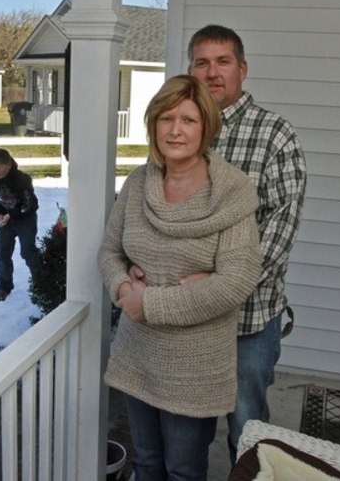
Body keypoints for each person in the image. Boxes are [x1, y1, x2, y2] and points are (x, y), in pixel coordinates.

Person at [99, 75, 262, 480]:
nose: (175, 130)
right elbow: (109, 251)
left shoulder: (232, 191)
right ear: (153, 124)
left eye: (188, 120)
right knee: (147, 462)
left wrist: (148, 302)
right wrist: (123, 287)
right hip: (139, 355)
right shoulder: (139, 182)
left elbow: (235, 282)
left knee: (184, 471)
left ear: (206, 127)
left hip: (196, 367)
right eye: (166, 118)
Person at [189, 24, 307, 462]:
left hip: (250, 318)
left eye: (223, 62)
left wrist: (219, 286)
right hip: (189, 320)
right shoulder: (182, 127)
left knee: (248, 426)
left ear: (243, 69)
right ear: (191, 70)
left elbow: (281, 227)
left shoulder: (275, 134)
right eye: (202, 62)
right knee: (188, 426)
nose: (213, 73)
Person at [0, 148, 40, 302]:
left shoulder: (21, 179)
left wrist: (12, 214)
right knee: (2, 253)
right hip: (5, 221)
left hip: (24, 219)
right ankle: (4, 285)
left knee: (28, 252)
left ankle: (40, 282)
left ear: (8, 164)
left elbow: (31, 203)